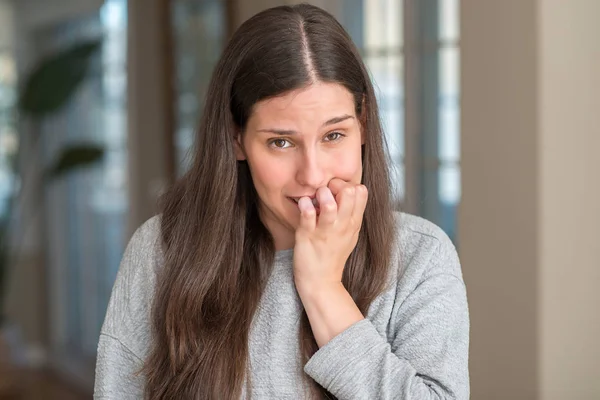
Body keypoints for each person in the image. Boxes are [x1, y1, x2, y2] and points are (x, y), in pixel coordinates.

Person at [94, 4, 469, 400]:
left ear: (362, 124)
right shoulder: (161, 252)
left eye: (333, 135)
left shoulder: (419, 256)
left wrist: (324, 290)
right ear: (237, 139)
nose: (312, 174)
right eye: (281, 142)